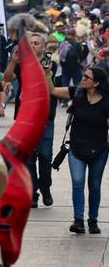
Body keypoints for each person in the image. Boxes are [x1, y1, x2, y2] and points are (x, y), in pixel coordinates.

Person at [50, 66, 109, 234]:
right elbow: (52, 90)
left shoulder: (106, 101)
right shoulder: (77, 93)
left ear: (96, 83)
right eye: (83, 76)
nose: (82, 79)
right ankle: (78, 221)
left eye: (87, 77)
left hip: (99, 149)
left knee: (95, 185)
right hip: (76, 147)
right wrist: (47, 73)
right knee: (77, 183)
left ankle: (93, 220)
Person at [3, 31, 57, 208]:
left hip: (45, 117)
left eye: (36, 43)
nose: (33, 46)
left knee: (45, 155)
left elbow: (49, 86)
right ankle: (33, 192)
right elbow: (7, 78)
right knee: (29, 157)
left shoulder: (50, 64)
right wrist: (13, 60)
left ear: (43, 46)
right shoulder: (21, 63)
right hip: (25, 118)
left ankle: (45, 187)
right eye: (30, 43)